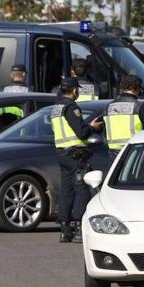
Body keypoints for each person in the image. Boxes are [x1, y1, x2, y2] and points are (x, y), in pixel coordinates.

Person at [51, 77, 103, 243]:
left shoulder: (56, 107)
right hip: (75, 154)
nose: (78, 92)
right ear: (74, 90)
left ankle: (65, 230)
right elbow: (81, 132)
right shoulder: (71, 107)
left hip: (62, 153)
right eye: (77, 89)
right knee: (82, 189)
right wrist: (93, 128)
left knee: (67, 191)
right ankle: (80, 228)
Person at [103, 74, 144, 161]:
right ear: (137, 88)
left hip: (114, 153)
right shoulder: (139, 106)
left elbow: (105, 131)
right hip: (134, 151)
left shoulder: (108, 107)